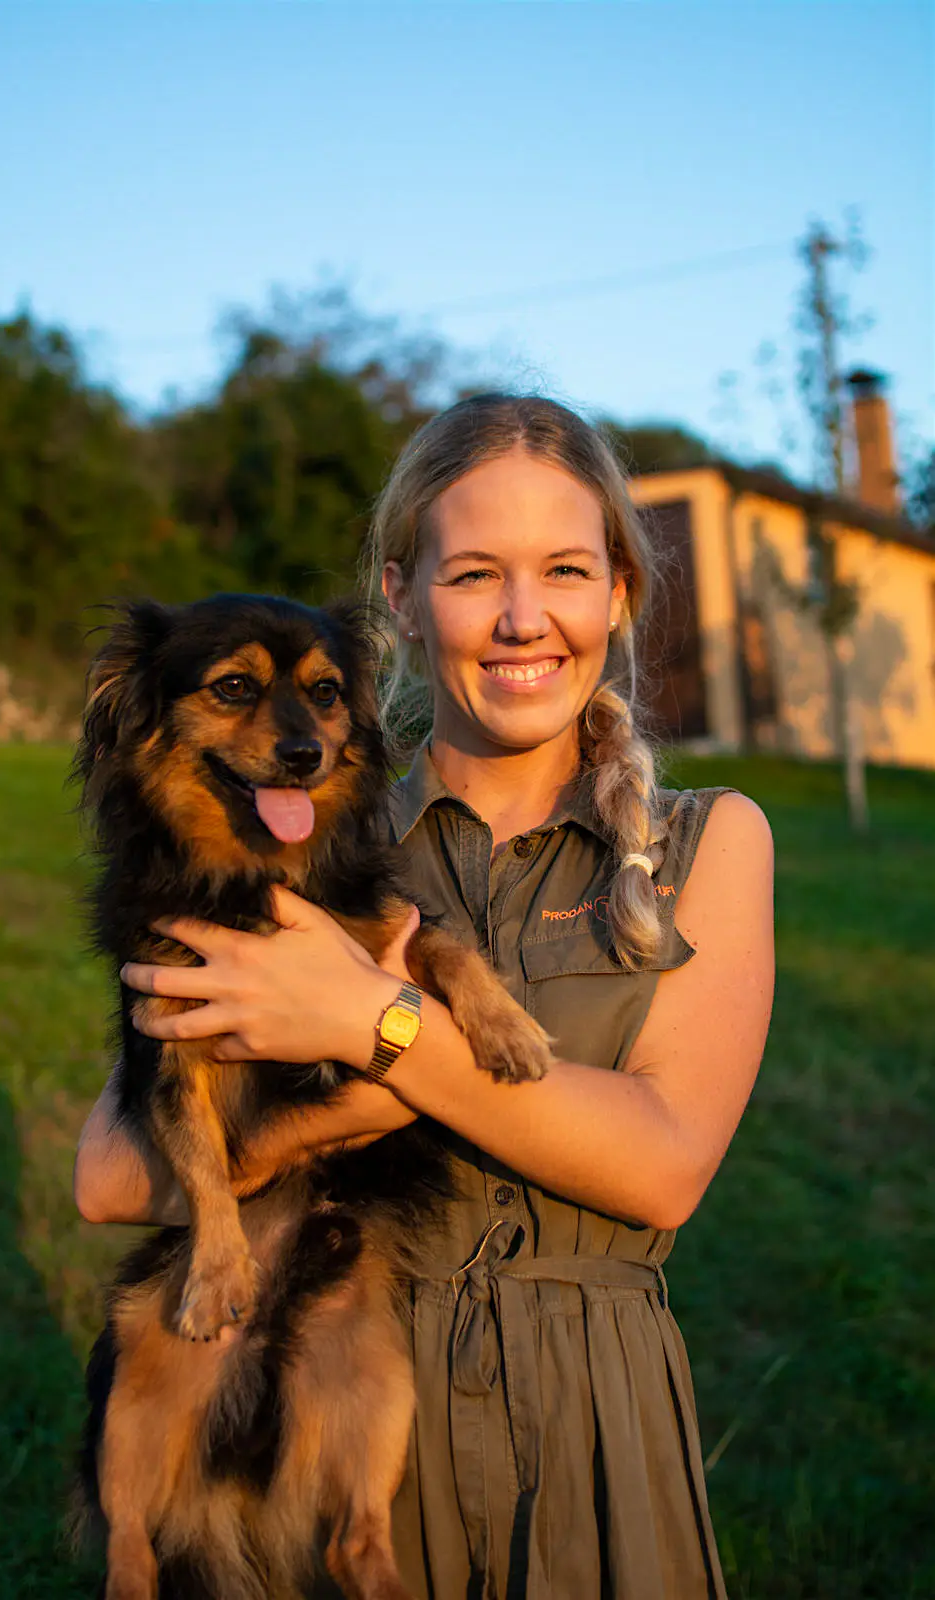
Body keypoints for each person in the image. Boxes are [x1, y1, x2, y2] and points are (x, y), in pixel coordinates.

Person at [74, 393, 775, 1600]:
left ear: (617, 592)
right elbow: (106, 1178)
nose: (521, 618)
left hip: (591, 1433)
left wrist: (379, 1030)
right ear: (400, 596)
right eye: (471, 574)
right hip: (341, 1419)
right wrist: (317, 1112)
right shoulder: (302, 846)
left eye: (564, 568)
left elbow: (663, 1165)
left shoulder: (702, 841)